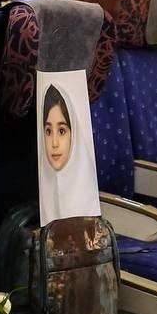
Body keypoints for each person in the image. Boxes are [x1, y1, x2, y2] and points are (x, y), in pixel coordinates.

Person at [37, 82, 98, 224]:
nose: (54, 143)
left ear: (73, 133)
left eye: (61, 131)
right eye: (48, 131)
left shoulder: (86, 193)